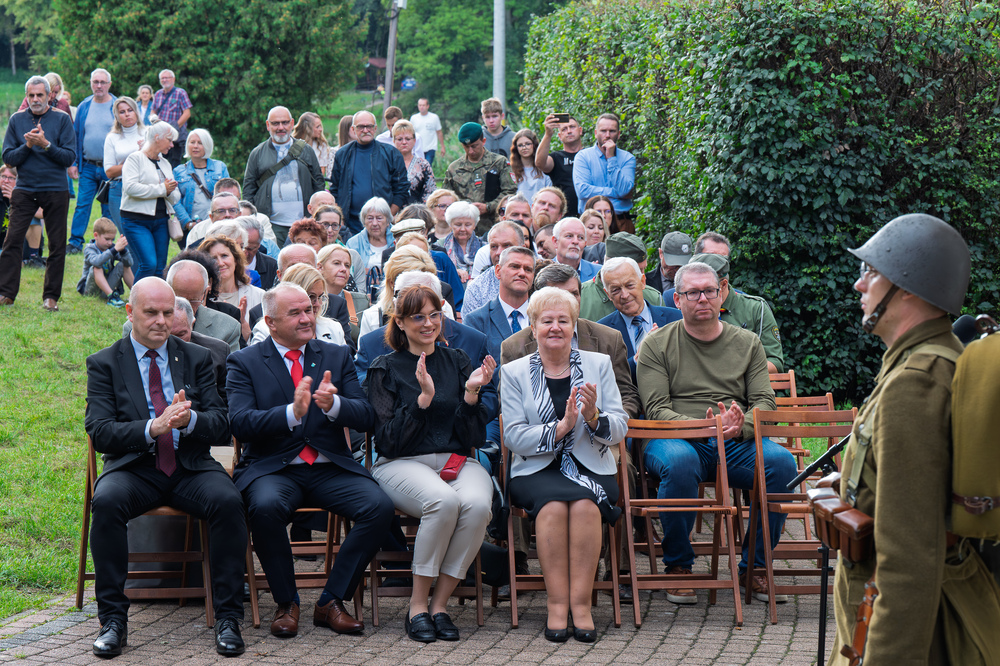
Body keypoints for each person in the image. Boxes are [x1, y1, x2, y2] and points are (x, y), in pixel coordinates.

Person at [827, 214, 990, 665]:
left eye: (872, 272)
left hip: (906, 631)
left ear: (911, 289)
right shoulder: (918, 363)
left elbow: (910, 559)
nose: (861, 286)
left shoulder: (915, 383)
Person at [84, 277, 246, 658]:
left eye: (167, 311)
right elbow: (101, 433)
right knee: (105, 503)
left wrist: (188, 422)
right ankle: (113, 621)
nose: (161, 320)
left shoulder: (196, 358)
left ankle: (227, 617)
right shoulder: (105, 363)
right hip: (134, 467)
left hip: (189, 465)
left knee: (229, 502)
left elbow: (223, 424)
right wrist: (151, 427)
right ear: (130, 312)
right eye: (151, 312)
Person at [227, 282, 396, 638]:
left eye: (310, 309)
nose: (308, 318)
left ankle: (331, 600)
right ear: (271, 322)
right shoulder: (245, 362)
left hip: (329, 465)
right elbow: (239, 422)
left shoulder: (335, 355)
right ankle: (286, 602)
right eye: (296, 313)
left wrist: (333, 405)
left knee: (378, 506)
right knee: (266, 507)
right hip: (272, 467)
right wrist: (291, 412)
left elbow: (367, 416)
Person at [635, 260, 796, 604]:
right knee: (678, 463)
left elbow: (766, 402)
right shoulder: (657, 344)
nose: (703, 299)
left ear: (721, 293)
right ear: (676, 300)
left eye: (709, 291)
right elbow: (657, 409)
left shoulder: (748, 342)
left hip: (734, 438)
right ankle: (678, 566)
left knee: (781, 464)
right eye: (692, 293)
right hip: (674, 436)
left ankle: (754, 568)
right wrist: (707, 427)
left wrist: (740, 425)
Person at [365, 284, 495, 643]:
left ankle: (440, 605)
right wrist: (423, 399)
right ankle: (417, 606)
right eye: (418, 317)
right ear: (401, 323)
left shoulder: (456, 361)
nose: (428, 323)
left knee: (479, 504)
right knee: (444, 501)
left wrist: (470, 394)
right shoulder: (385, 368)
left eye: (434, 315)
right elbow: (388, 441)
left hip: (455, 460)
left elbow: (474, 438)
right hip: (399, 463)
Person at [501, 286, 628, 643]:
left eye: (563, 320)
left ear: (574, 326)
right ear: (533, 326)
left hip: (591, 466)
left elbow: (620, 426)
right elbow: (513, 436)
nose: (554, 327)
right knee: (554, 507)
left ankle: (582, 606)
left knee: (586, 508)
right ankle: (557, 607)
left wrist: (593, 416)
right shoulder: (514, 373)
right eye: (546, 321)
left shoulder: (598, 365)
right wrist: (560, 429)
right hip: (535, 468)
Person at [0, 76, 76, 310]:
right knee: (12, 240)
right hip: (25, 188)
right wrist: (29, 145)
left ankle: (51, 296)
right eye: (31, 95)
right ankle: (6, 293)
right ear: (27, 96)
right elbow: (8, 158)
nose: (35, 99)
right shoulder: (16, 120)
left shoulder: (62, 119)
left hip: (55, 188)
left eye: (39, 95)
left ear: (49, 96)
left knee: (57, 244)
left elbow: (69, 157)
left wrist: (46, 144)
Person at [243, 106, 325, 246]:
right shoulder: (257, 153)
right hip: (271, 225)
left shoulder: (306, 150)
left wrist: (315, 216)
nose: (281, 127)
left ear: (292, 123)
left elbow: (318, 185)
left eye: (285, 122)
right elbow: (248, 190)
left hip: (303, 223)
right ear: (268, 125)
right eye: (275, 123)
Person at [691, 252, 785, 372]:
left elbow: (775, 363)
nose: (701, 297)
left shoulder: (754, 308)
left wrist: (735, 371)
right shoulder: (689, 306)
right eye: (693, 291)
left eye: (708, 289)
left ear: (723, 285)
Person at [596, 257, 681, 381]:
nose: (624, 295)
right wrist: (638, 358)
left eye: (629, 285)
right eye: (616, 290)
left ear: (643, 281)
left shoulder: (676, 319)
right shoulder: (601, 333)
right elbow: (606, 379)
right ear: (608, 294)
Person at [329, 110, 408, 235]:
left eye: (369, 126)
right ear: (353, 129)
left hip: (382, 224)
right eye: (361, 127)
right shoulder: (342, 154)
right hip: (350, 224)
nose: (365, 130)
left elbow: (402, 189)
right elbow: (335, 189)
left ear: (375, 128)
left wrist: (388, 215)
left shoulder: (391, 154)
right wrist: (340, 219)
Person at [119, 121, 180, 282]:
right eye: (169, 140)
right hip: (136, 220)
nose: (172, 145)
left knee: (160, 267)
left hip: (161, 220)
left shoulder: (165, 163)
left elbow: (175, 196)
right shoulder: (134, 159)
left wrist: (170, 191)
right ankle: (136, 302)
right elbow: (130, 188)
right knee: (149, 264)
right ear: (157, 138)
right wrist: (163, 189)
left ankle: (155, 303)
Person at [359, 245, 454, 338]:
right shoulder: (373, 317)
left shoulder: (443, 309)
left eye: (424, 284)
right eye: (410, 285)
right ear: (392, 283)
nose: (418, 292)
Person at [68, 68, 116, 254]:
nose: (99, 85)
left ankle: (106, 243)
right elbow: (76, 135)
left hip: (109, 168)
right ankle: (75, 242)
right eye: (95, 82)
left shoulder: (117, 105)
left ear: (109, 84)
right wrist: (73, 163)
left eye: (103, 82)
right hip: (87, 166)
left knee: (108, 208)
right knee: (82, 205)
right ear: (91, 83)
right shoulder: (84, 106)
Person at [442, 123, 516, 235]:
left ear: (483, 141)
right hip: (463, 229)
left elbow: (510, 193)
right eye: (467, 147)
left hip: (493, 226)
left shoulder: (499, 163)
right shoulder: (454, 168)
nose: (471, 151)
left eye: (474, 146)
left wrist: (488, 207)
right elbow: (446, 197)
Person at [249, 263, 345, 346]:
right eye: (311, 297)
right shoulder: (266, 329)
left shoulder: (334, 328)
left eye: (320, 297)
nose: (317, 304)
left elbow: (344, 365)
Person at [580, 231, 664, 322]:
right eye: (638, 270)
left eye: (644, 269)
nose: (644, 277)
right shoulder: (580, 297)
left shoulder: (654, 297)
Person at [572, 114, 636, 230]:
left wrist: (611, 158)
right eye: (603, 131)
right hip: (590, 223)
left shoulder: (628, 158)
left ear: (619, 134)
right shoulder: (583, 157)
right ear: (596, 133)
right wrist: (614, 192)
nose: (607, 135)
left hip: (621, 222)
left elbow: (624, 190)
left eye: (612, 131)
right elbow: (582, 191)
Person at [199, 234, 264, 342]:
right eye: (213, 259)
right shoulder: (202, 299)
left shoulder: (259, 295)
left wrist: (243, 325)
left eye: (224, 256)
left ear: (236, 259)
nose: (220, 263)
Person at [172, 129, 230, 243]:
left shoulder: (220, 167)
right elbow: (175, 201)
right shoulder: (178, 171)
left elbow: (228, 196)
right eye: (192, 142)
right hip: (191, 227)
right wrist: (187, 223)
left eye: (200, 143)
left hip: (217, 225)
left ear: (207, 145)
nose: (195, 146)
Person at [460, 220, 526, 318]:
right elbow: (471, 331)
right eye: (494, 247)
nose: (499, 252)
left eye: (506, 245)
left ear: (523, 248)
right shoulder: (477, 289)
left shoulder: (538, 281)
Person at [103, 96, 145, 232]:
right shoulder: (112, 138)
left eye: (130, 110)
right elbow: (109, 171)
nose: (127, 114)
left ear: (136, 112)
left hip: (144, 186)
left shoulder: (147, 133)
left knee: (141, 231)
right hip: (118, 188)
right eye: (122, 112)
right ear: (116, 116)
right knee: (125, 232)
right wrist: (135, 158)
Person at [318, 243, 369, 347]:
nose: (343, 269)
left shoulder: (361, 301)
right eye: (336, 263)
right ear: (320, 267)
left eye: (347, 265)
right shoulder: (308, 301)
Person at [77, 216, 133, 307]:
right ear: (96, 235)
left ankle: (136, 294)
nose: (110, 243)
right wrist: (114, 250)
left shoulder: (111, 247)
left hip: (106, 288)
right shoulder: (89, 249)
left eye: (112, 240)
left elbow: (129, 263)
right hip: (90, 290)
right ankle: (111, 297)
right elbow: (96, 262)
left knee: (122, 265)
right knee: (96, 268)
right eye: (107, 239)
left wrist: (123, 250)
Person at [536, 114, 584, 216]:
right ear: (559, 136)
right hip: (564, 216)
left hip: (589, 214)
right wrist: (548, 134)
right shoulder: (556, 158)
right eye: (564, 129)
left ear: (580, 130)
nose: (569, 131)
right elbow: (540, 163)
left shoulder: (590, 155)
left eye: (572, 127)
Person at [347, 196, 393, 291]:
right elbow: (350, 274)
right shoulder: (353, 243)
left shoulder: (397, 240)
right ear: (364, 222)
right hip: (362, 292)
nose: (375, 223)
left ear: (387, 221)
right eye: (370, 218)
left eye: (379, 218)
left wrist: (369, 272)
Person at [151, 69, 192, 166]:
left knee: (175, 164)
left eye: (167, 78)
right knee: (159, 162)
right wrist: (154, 119)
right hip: (161, 136)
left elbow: (187, 113)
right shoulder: (158, 94)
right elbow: (153, 111)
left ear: (173, 79)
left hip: (175, 137)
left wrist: (173, 128)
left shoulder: (180, 93)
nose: (164, 80)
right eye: (162, 78)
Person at [440, 201, 483, 284]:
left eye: (468, 225)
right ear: (450, 225)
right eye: (458, 224)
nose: (463, 229)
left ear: (474, 225)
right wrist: (453, 271)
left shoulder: (483, 246)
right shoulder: (440, 246)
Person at [393, 120, 435, 204]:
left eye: (408, 139)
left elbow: (430, 193)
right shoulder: (387, 164)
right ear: (394, 141)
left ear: (414, 141)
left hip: (417, 213)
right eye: (400, 139)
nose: (404, 142)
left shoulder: (423, 165)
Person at [553, 217, 600, 282]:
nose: (575, 241)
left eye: (580, 237)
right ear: (555, 241)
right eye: (569, 236)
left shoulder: (599, 274)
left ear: (585, 243)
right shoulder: (541, 273)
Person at [510, 129, 551, 203]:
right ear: (516, 148)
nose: (524, 147)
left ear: (534, 145)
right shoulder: (511, 170)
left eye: (528, 144)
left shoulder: (544, 168)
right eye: (520, 145)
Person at [238, 215, 278, 290]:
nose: (245, 253)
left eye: (250, 249)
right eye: (240, 248)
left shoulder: (271, 266)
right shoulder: (222, 265)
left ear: (259, 245)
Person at [293, 111, 333, 180]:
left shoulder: (321, 145)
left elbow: (321, 173)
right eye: (317, 127)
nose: (320, 129)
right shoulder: (293, 143)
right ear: (307, 129)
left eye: (320, 126)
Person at [410, 98, 444, 165]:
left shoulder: (434, 117)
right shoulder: (414, 118)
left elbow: (439, 132)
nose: (421, 107)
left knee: (427, 166)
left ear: (427, 106)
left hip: (430, 147)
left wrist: (442, 146)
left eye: (423, 105)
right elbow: (411, 134)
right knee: (418, 167)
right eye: (420, 105)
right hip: (418, 148)